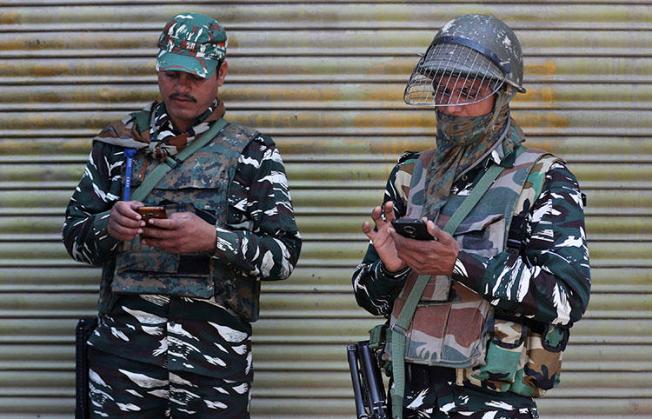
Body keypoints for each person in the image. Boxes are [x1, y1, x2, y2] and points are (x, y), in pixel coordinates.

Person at [62, 13, 301, 418]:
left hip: (214, 364)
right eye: (172, 73)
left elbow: (283, 256)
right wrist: (109, 226)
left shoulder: (252, 153)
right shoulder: (119, 144)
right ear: (159, 69)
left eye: (195, 75)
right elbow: (75, 238)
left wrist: (213, 240)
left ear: (221, 72)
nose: (182, 86)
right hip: (125, 360)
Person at [352, 14, 590, 419]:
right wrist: (390, 269)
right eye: (443, 90)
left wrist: (460, 263)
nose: (453, 106)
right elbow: (367, 296)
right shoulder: (411, 176)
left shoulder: (542, 178)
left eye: (470, 91)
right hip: (406, 397)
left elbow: (567, 299)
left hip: (491, 403)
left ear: (502, 95)